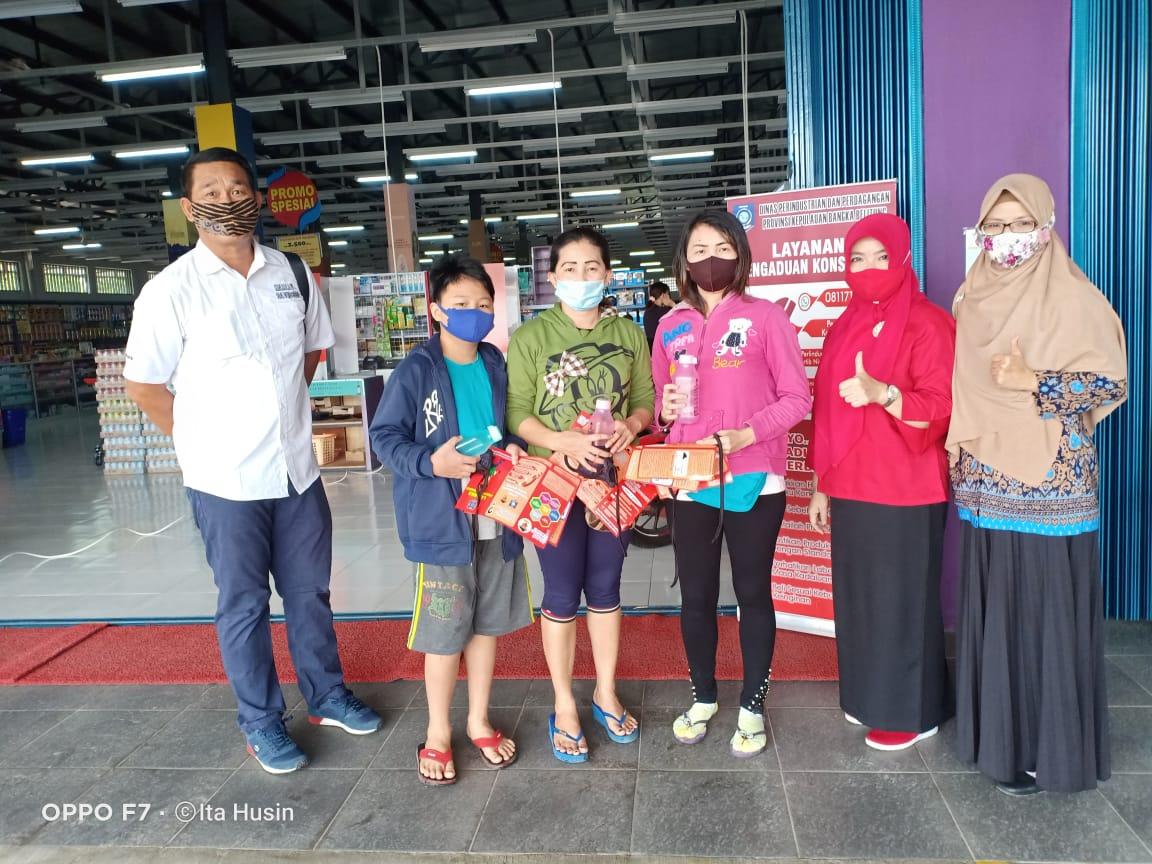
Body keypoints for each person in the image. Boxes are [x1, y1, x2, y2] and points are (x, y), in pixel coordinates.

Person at [123, 147, 381, 775]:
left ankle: (325, 695)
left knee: (310, 593)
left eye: (237, 188)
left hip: (297, 472)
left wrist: (282, 416)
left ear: (257, 198)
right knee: (243, 605)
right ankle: (262, 722)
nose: (226, 199)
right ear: (189, 209)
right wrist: (198, 441)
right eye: (210, 191)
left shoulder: (292, 275)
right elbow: (145, 385)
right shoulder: (170, 291)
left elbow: (311, 355)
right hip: (224, 481)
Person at [948, 174, 1127, 796]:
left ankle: (1046, 751)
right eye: (993, 227)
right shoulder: (969, 298)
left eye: (1019, 225)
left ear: (1045, 227)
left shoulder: (1074, 297)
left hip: (1051, 486)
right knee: (998, 614)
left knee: (1042, 619)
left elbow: (1109, 382)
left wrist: (1037, 381)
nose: (1005, 239)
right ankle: (997, 741)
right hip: (985, 484)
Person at [370, 255, 533, 786]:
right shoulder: (415, 370)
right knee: (444, 633)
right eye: (461, 304)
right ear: (436, 310)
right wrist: (429, 462)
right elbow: (385, 437)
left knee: (486, 627)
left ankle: (479, 720)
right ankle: (438, 731)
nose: (474, 313)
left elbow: (507, 428)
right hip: (442, 528)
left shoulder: (495, 363)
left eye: (484, 305)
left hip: (496, 517)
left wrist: (514, 449)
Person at [652, 210, 810, 757]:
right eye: (698, 248)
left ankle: (751, 704)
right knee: (695, 596)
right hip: (691, 481)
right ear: (683, 260)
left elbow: (798, 399)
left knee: (751, 593)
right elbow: (659, 404)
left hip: (753, 480)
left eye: (721, 246)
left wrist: (748, 434)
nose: (709, 258)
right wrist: (663, 408)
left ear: (740, 255)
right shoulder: (670, 324)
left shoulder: (766, 318)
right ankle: (702, 695)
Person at [506, 226, 655, 762]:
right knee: (562, 592)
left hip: (611, 485)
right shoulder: (530, 338)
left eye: (593, 267)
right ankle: (564, 702)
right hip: (554, 486)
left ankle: (605, 690)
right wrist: (559, 441)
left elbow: (645, 400)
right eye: (570, 268)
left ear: (608, 274)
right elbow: (517, 412)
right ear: (553, 278)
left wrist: (632, 428)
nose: (582, 277)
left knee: (608, 588)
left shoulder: (628, 334)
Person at [808, 213, 956, 752]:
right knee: (862, 599)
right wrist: (822, 483)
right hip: (852, 485)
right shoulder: (845, 324)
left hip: (907, 487)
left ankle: (916, 711)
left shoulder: (929, 322)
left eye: (879, 257)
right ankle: (872, 696)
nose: (868, 268)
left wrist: (885, 394)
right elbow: (826, 408)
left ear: (903, 258)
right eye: (857, 259)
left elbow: (943, 407)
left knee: (903, 601)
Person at [643, 281, 675, 348]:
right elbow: (683, 319)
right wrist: (672, 304)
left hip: (652, 350)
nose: (669, 296)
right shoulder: (665, 312)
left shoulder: (648, 310)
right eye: (668, 294)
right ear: (663, 295)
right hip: (663, 349)